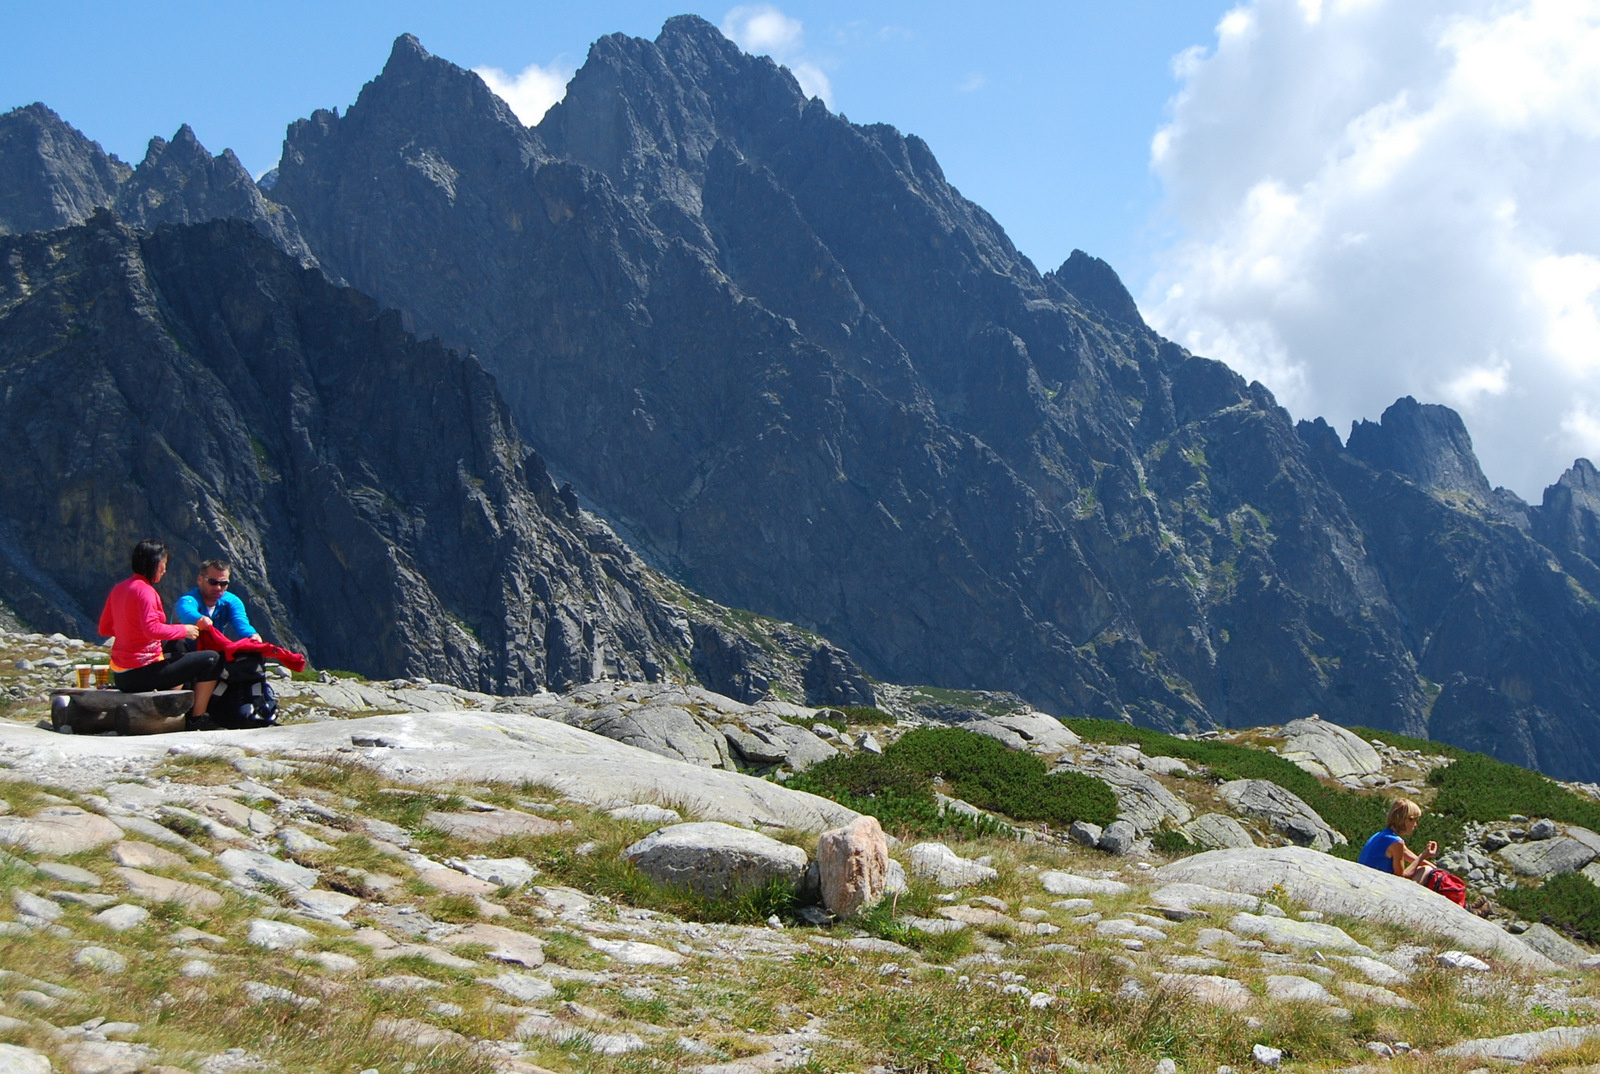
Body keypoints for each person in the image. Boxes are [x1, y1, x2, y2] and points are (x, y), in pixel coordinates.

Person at [98, 539, 222, 718]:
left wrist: (131, 629)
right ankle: (197, 717)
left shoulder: (119, 588)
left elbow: (105, 628)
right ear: (154, 563)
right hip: (143, 672)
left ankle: (173, 707)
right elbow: (152, 629)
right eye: (163, 564)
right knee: (212, 658)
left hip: (121, 676)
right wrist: (184, 630)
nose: (164, 570)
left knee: (178, 647)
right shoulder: (146, 591)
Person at [1359, 797, 1468, 906]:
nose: (1415, 825)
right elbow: (1401, 877)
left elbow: (1414, 860)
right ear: (1406, 820)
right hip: (1381, 890)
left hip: (1368, 883)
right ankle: (1461, 906)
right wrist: (1423, 855)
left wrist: (1441, 873)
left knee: (1429, 869)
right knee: (1426, 871)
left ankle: (1463, 904)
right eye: (1414, 820)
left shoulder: (1383, 835)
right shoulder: (1396, 843)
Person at [175, 558, 261, 642]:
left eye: (223, 583)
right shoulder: (188, 600)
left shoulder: (232, 601)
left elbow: (241, 622)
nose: (218, 588)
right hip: (184, 652)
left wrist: (252, 635)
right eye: (213, 582)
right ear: (200, 579)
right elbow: (186, 612)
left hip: (213, 651)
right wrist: (199, 619)